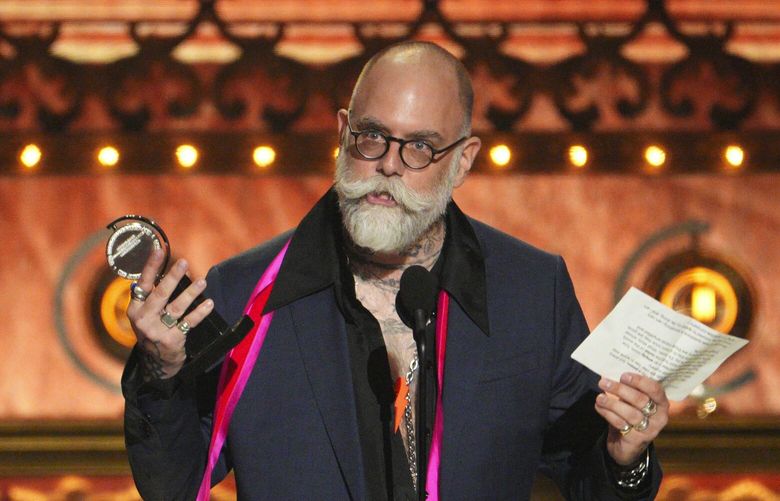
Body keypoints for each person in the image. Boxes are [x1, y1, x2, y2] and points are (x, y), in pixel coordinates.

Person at [122, 41, 669, 500]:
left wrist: (628, 458)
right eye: (372, 136)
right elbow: (175, 486)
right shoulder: (244, 293)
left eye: (421, 148)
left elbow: (586, 471)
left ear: (463, 160)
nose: (387, 163)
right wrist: (161, 375)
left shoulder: (530, 290)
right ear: (343, 132)